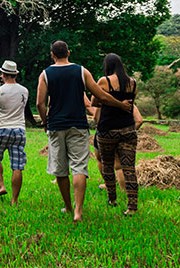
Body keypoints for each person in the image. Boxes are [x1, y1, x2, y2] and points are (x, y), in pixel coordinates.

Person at [36, 41, 132, 223]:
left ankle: (69, 206)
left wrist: (45, 122)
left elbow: (40, 103)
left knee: (60, 169)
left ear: (52, 55)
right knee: (79, 167)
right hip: (78, 125)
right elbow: (101, 95)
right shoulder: (82, 71)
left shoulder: (45, 74)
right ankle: (78, 212)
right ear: (69, 53)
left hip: (56, 125)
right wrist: (121, 105)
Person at [91, 53, 141, 216]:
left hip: (107, 129)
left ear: (107, 66)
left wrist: (108, 100)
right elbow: (131, 102)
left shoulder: (103, 81)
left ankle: (112, 199)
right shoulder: (132, 83)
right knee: (129, 168)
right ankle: (132, 207)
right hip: (128, 129)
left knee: (107, 164)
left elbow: (94, 102)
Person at [0, 60, 29, 206]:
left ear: (3, 74)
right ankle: (14, 200)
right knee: (17, 166)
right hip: (19, 130)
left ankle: (1, 185)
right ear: (15, 74)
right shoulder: (24, 90)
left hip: (2, 129)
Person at [93, 102, 143, 193]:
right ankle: (124, 191)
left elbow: (95, 117)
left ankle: (108, 186)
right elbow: (139, 120)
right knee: (119, 166)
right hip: (125, 134)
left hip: (105, 133)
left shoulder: (104, 100)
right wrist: (129, 131)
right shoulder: (129, 102)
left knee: (101, 160)